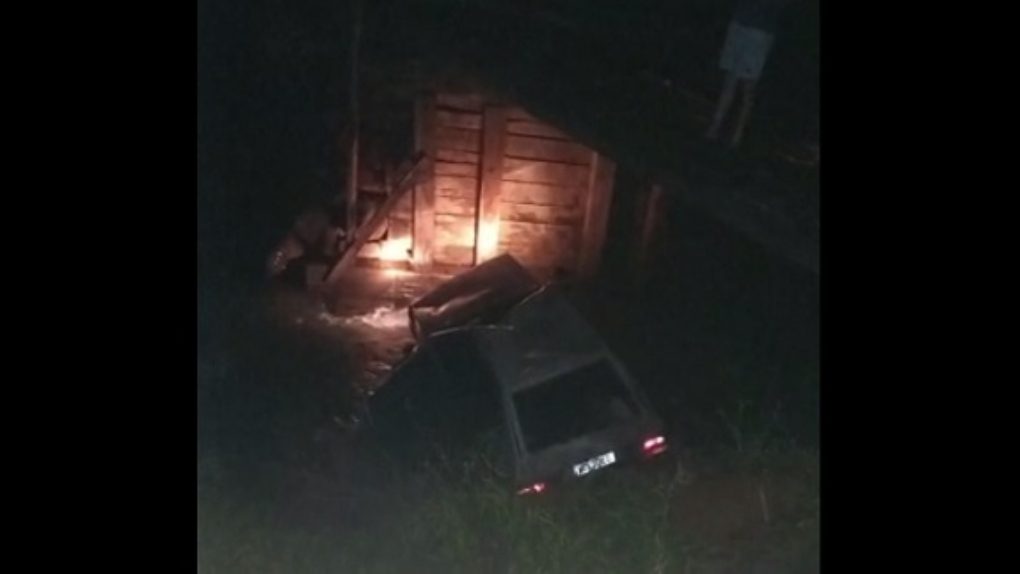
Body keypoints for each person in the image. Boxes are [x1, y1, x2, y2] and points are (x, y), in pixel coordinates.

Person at [705, 0, 790, 148]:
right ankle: (715, 126)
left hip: (760, 30)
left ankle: (738, 133)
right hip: (740, 22)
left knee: (748, 85)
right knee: (730, 80)